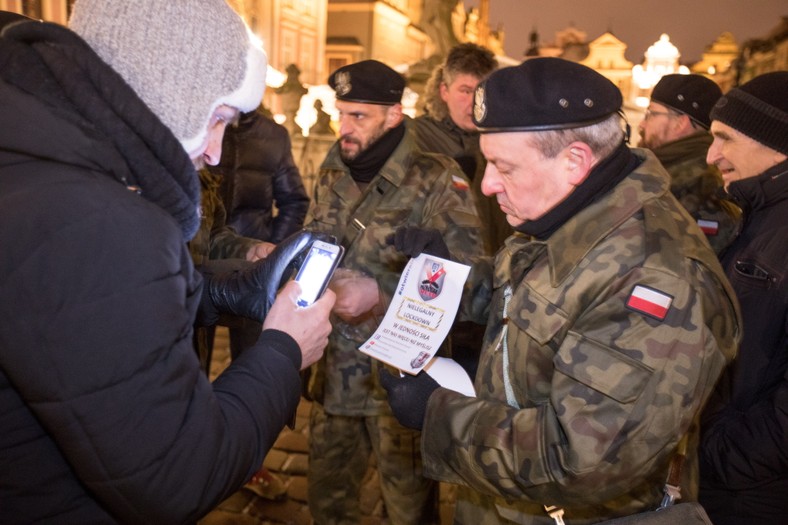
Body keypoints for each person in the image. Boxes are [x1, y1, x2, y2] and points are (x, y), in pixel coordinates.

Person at [0, 2, 334, 523]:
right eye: (217, 119)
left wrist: (232, 289)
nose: (216, 152)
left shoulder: (40, 162)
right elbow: (181, 474)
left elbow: (86, 309)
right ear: (169, 90)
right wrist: (284, 350)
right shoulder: (104, 220)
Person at [381, 57, 741, 523]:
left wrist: (438, 414)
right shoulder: (570, 211)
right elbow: (524, 293)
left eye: (504, 167)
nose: (487, 185)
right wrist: (448, 276)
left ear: (575, 161)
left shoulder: (656, 278)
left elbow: (581, 459)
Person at [303, 59, 484, 524]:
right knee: (327, 503)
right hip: (334, 375)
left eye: (358, 116)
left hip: (399, 381)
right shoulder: (331, 170)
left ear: (393, 115)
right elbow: (312, 243)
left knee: (408, 511)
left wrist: (381, 296)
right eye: (341, 113)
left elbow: (466, 281)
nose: (344, 127)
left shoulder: (437, 177)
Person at [698, 71, 788, 525]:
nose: (711, 155)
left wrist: (724, 455)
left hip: (756, 490)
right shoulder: (759, 214)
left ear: (776, 145)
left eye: (726, 138)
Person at [206, 106, 310, 358]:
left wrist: (274, 253)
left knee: (252, 354)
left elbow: (294, 200)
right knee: (193, 354)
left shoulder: (273, 135)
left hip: (253, 267)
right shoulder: (201, 123)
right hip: (201, 260)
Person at [413, 42, 510, 256]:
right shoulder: (415, 137)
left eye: (481, 91)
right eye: (465, 91)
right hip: (441, 261)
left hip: (497, 261)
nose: (474, 102)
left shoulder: (505, 139)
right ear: (444, 91)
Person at [638, 73, 740, 254]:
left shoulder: (701, 185)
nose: (642, 124)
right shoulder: (662, 169)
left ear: (680, 123)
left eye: (650, 114)